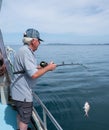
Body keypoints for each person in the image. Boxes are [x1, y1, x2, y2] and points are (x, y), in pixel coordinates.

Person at [10, 28, 56, 130]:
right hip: (23, 94)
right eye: (39, 41)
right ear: (33, 41)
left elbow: (28, 68)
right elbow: (34, 75)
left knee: (21, 114)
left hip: (18, 92)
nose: (39, 43)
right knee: (25, 119)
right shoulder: (26, 52)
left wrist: (42, 66)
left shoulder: (23, 50)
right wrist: (48, 68)